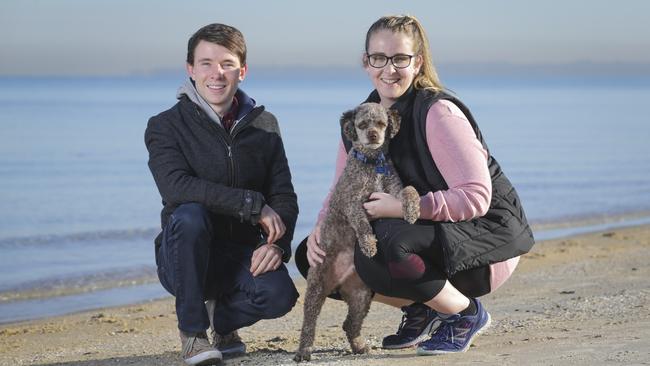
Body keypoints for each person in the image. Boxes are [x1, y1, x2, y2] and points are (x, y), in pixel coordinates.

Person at [296, 15, 534, 356]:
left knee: (387, 240)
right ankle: (422, 308)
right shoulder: (360, 121)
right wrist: (321, 223)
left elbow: (477, 197)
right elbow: (341, 188)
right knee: (314, 254)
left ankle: (466, 313)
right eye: (379, 58)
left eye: (400, 59)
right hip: (422, 237)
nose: (389, 69)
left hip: (485, 240)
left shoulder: (439, 113)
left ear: (417, 62)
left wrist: (402, 207)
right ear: (366, 62)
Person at [145, 23, 299, 365]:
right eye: (206, 63)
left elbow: (284, 195)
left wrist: (276, 245)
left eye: (227, 64)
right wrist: (251, 205)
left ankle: (222, 321)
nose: (217, 73)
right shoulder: (165, 125)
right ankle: (193, 333)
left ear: (242, 71)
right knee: (190, 213)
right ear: (190, 69)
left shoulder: (265, 126)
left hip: (240, 252)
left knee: (279, 296)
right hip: (183, 253)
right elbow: (176, 186)